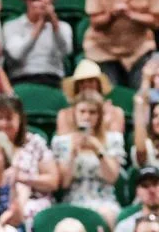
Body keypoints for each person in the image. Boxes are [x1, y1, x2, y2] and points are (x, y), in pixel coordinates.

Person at [0, 96, 58, 223]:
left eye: (9, 119)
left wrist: (22, 177)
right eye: (0, 118)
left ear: (20, 119)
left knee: (25, 213)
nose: (4, 124)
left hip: (32, 200)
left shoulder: (35, 143)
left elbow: (53, 181)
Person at [83, 0, 159, 89]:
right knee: (110, 93)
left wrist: (131, 14)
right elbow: (95, 23)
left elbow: (156, 21)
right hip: (103, 50)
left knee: (145, 92)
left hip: (139, 49)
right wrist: (112, 15)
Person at [51, 90, 124, 228]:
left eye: (92, 112)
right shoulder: (62, 142)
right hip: (73, 199)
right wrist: (72, 153)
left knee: (108, 216)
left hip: (104, 199)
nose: (87, 116)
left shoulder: (112, 140)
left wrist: (99, 151)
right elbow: (64, 183)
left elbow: (112, 177)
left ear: (99, 115)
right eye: (82, 111)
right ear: (74, 113)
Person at [3, 0, 72, 87]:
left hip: (53, 81)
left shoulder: (63, 27)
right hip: (22, 80)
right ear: (27, 1)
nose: (41, 2)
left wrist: (54, 23)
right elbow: (17, 55)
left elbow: (66, 50)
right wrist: (39, 25)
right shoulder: (11, 26)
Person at [56, 59, 125, 134]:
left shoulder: (115, 113)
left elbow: (114, 143)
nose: (86, 85)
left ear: (99, 85)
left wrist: (104, 123)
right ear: (76, 87)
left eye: (90, 81)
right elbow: (64, 143)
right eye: (82, 82)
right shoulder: (64, 115)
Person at [114, 166, 159, 232]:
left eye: (155, 184)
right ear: (137, 191)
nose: (151, 190)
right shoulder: (126, 226)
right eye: (145, 185)